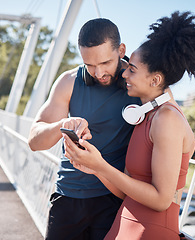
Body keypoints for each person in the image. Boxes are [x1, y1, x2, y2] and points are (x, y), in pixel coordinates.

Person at [63, 11, 195, 240]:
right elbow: (128, 191)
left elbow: (161, 199)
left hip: (150, 231)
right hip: (126, 224)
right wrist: (94, 167)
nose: (124, 72)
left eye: (132, 69)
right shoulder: (146, 115)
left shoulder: (167, 119)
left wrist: (102, 166)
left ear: (155, 80)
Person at [27, 18, 141, 239]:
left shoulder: (140, 83)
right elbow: (34, 141)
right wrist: (62, 125)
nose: (98, 73)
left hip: (114, 199)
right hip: (68, 196)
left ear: (121, 50)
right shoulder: (69, 81)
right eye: (90, 65)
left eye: (105, 63)